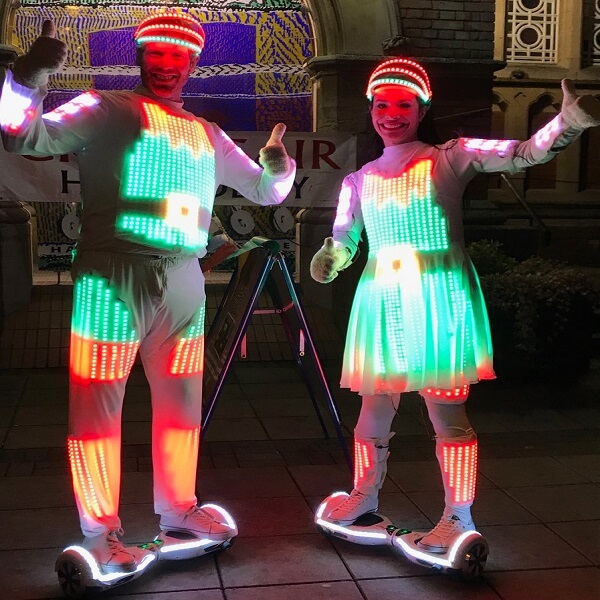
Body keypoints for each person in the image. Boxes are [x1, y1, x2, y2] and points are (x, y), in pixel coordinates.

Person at [0, 11, 295, 573]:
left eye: (177, 56)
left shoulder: (208, 133)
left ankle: (179, 508)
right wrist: (25, 81)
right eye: (156, 54)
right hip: (113, 275)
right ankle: (99, 531)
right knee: (97, 405)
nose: (166, 65)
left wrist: (278, 168)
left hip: (185, 277)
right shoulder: (104, 107)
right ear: (141, 56)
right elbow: (22, 136)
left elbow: (266, 191)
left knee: (182, 405)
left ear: (194, 62)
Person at [310, 57, 600, 553]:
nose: (391, 114)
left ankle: (456, 516)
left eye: (404, 104)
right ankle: (362, 495)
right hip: (383, 303)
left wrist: (567, 121)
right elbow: (344, 237)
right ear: (371, 110)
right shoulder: (357, 180)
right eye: (382, 104)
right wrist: (331, 257)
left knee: (447, 416)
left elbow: (524, 153)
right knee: (373, 409)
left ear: (423, 109)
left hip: (437, 301)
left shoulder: (452, 154)